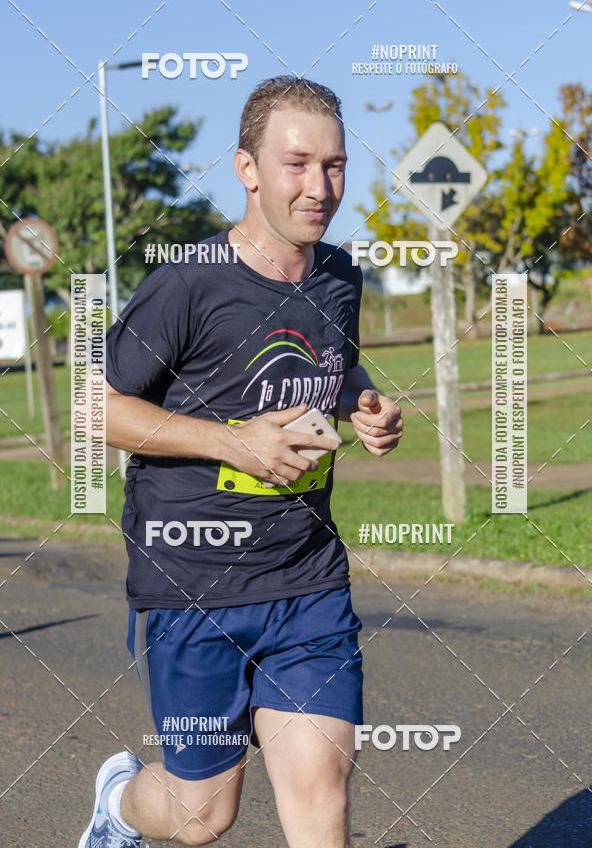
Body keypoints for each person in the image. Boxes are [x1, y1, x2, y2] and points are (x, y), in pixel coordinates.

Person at [79, 75, 403, 848]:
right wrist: (235, 442)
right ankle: (119, 804)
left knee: (321, 788)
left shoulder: (339, 274)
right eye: (297, 164)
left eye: (334, 165)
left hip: (307, 580)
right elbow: (96, 408)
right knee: (201, 817)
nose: (319, 187)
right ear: (247, 169)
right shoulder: (187, 284)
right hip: (193, 587)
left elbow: (332, 365)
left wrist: (362, 402)